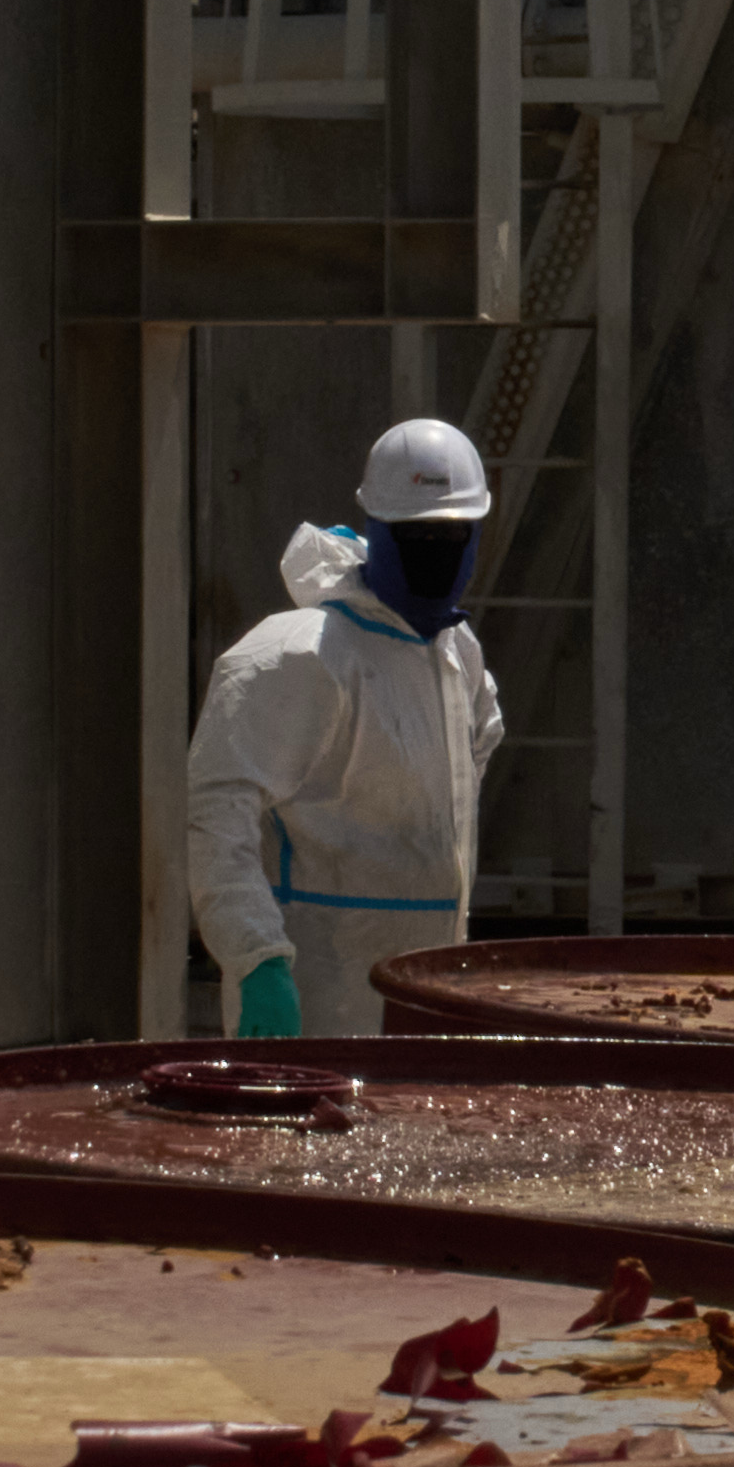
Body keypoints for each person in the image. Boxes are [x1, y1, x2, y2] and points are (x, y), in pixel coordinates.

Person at [178, 417, 501, 1040]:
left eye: (452, 536)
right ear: (378, 530)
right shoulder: (302, 656)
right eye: (418, 537)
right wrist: (257, 963)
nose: (436, 554)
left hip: (428, 997)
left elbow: (468, 771)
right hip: (317, 1003)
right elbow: (214, 807)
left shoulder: (455, 654)